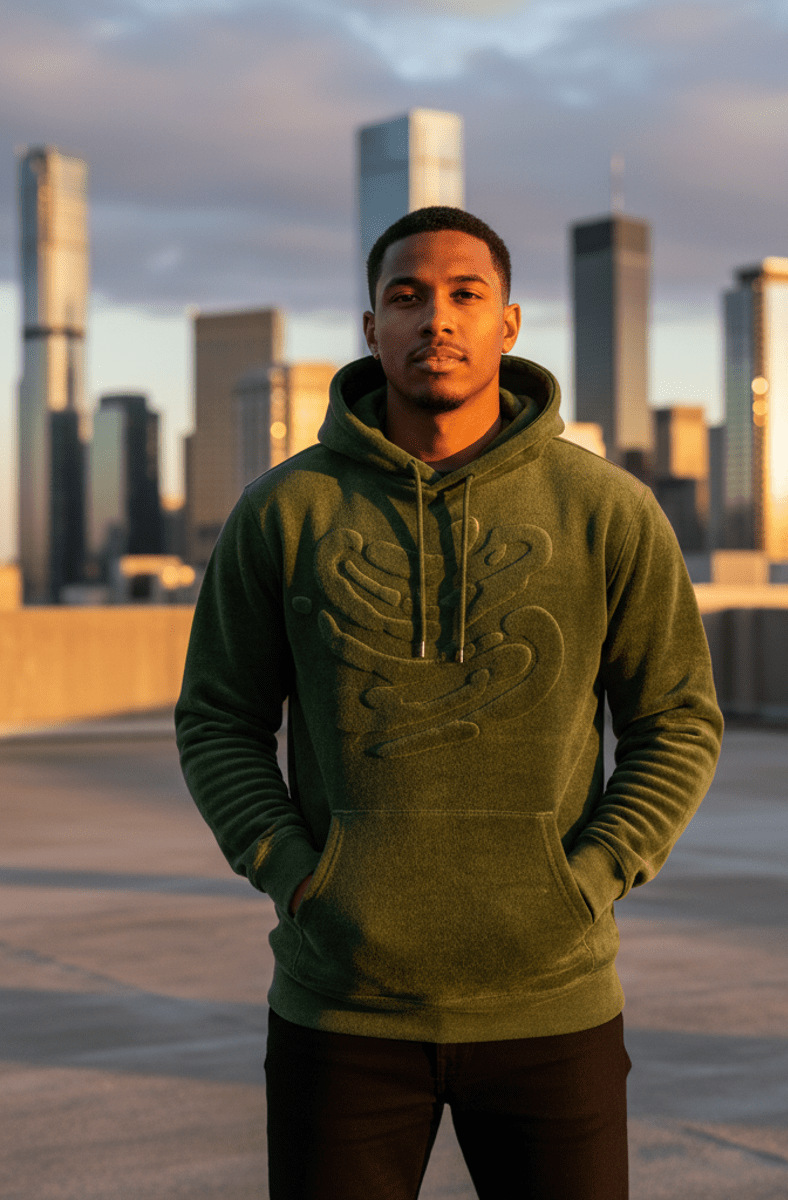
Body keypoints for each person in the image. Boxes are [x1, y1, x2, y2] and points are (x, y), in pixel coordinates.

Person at [175, 205, 722, 1199]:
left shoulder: (607, 509)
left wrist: (592, 877)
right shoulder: (283, 511)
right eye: (408, 296)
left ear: (508, 324)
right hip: (340, 1008)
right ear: (371, 327)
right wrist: (295, 874)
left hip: (553, 1005)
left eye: (466, 295)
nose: (438, 318)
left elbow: (677, 719)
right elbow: (218, 720)